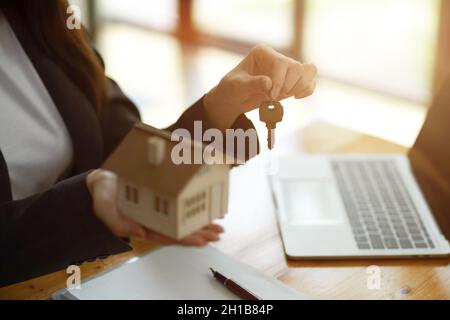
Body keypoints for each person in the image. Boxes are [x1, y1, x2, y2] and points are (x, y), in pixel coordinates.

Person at [0, 0, 317, 287]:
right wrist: (88, 199)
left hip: (88, 278)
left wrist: (218, 109)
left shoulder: (41, 17)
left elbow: (127, 155)